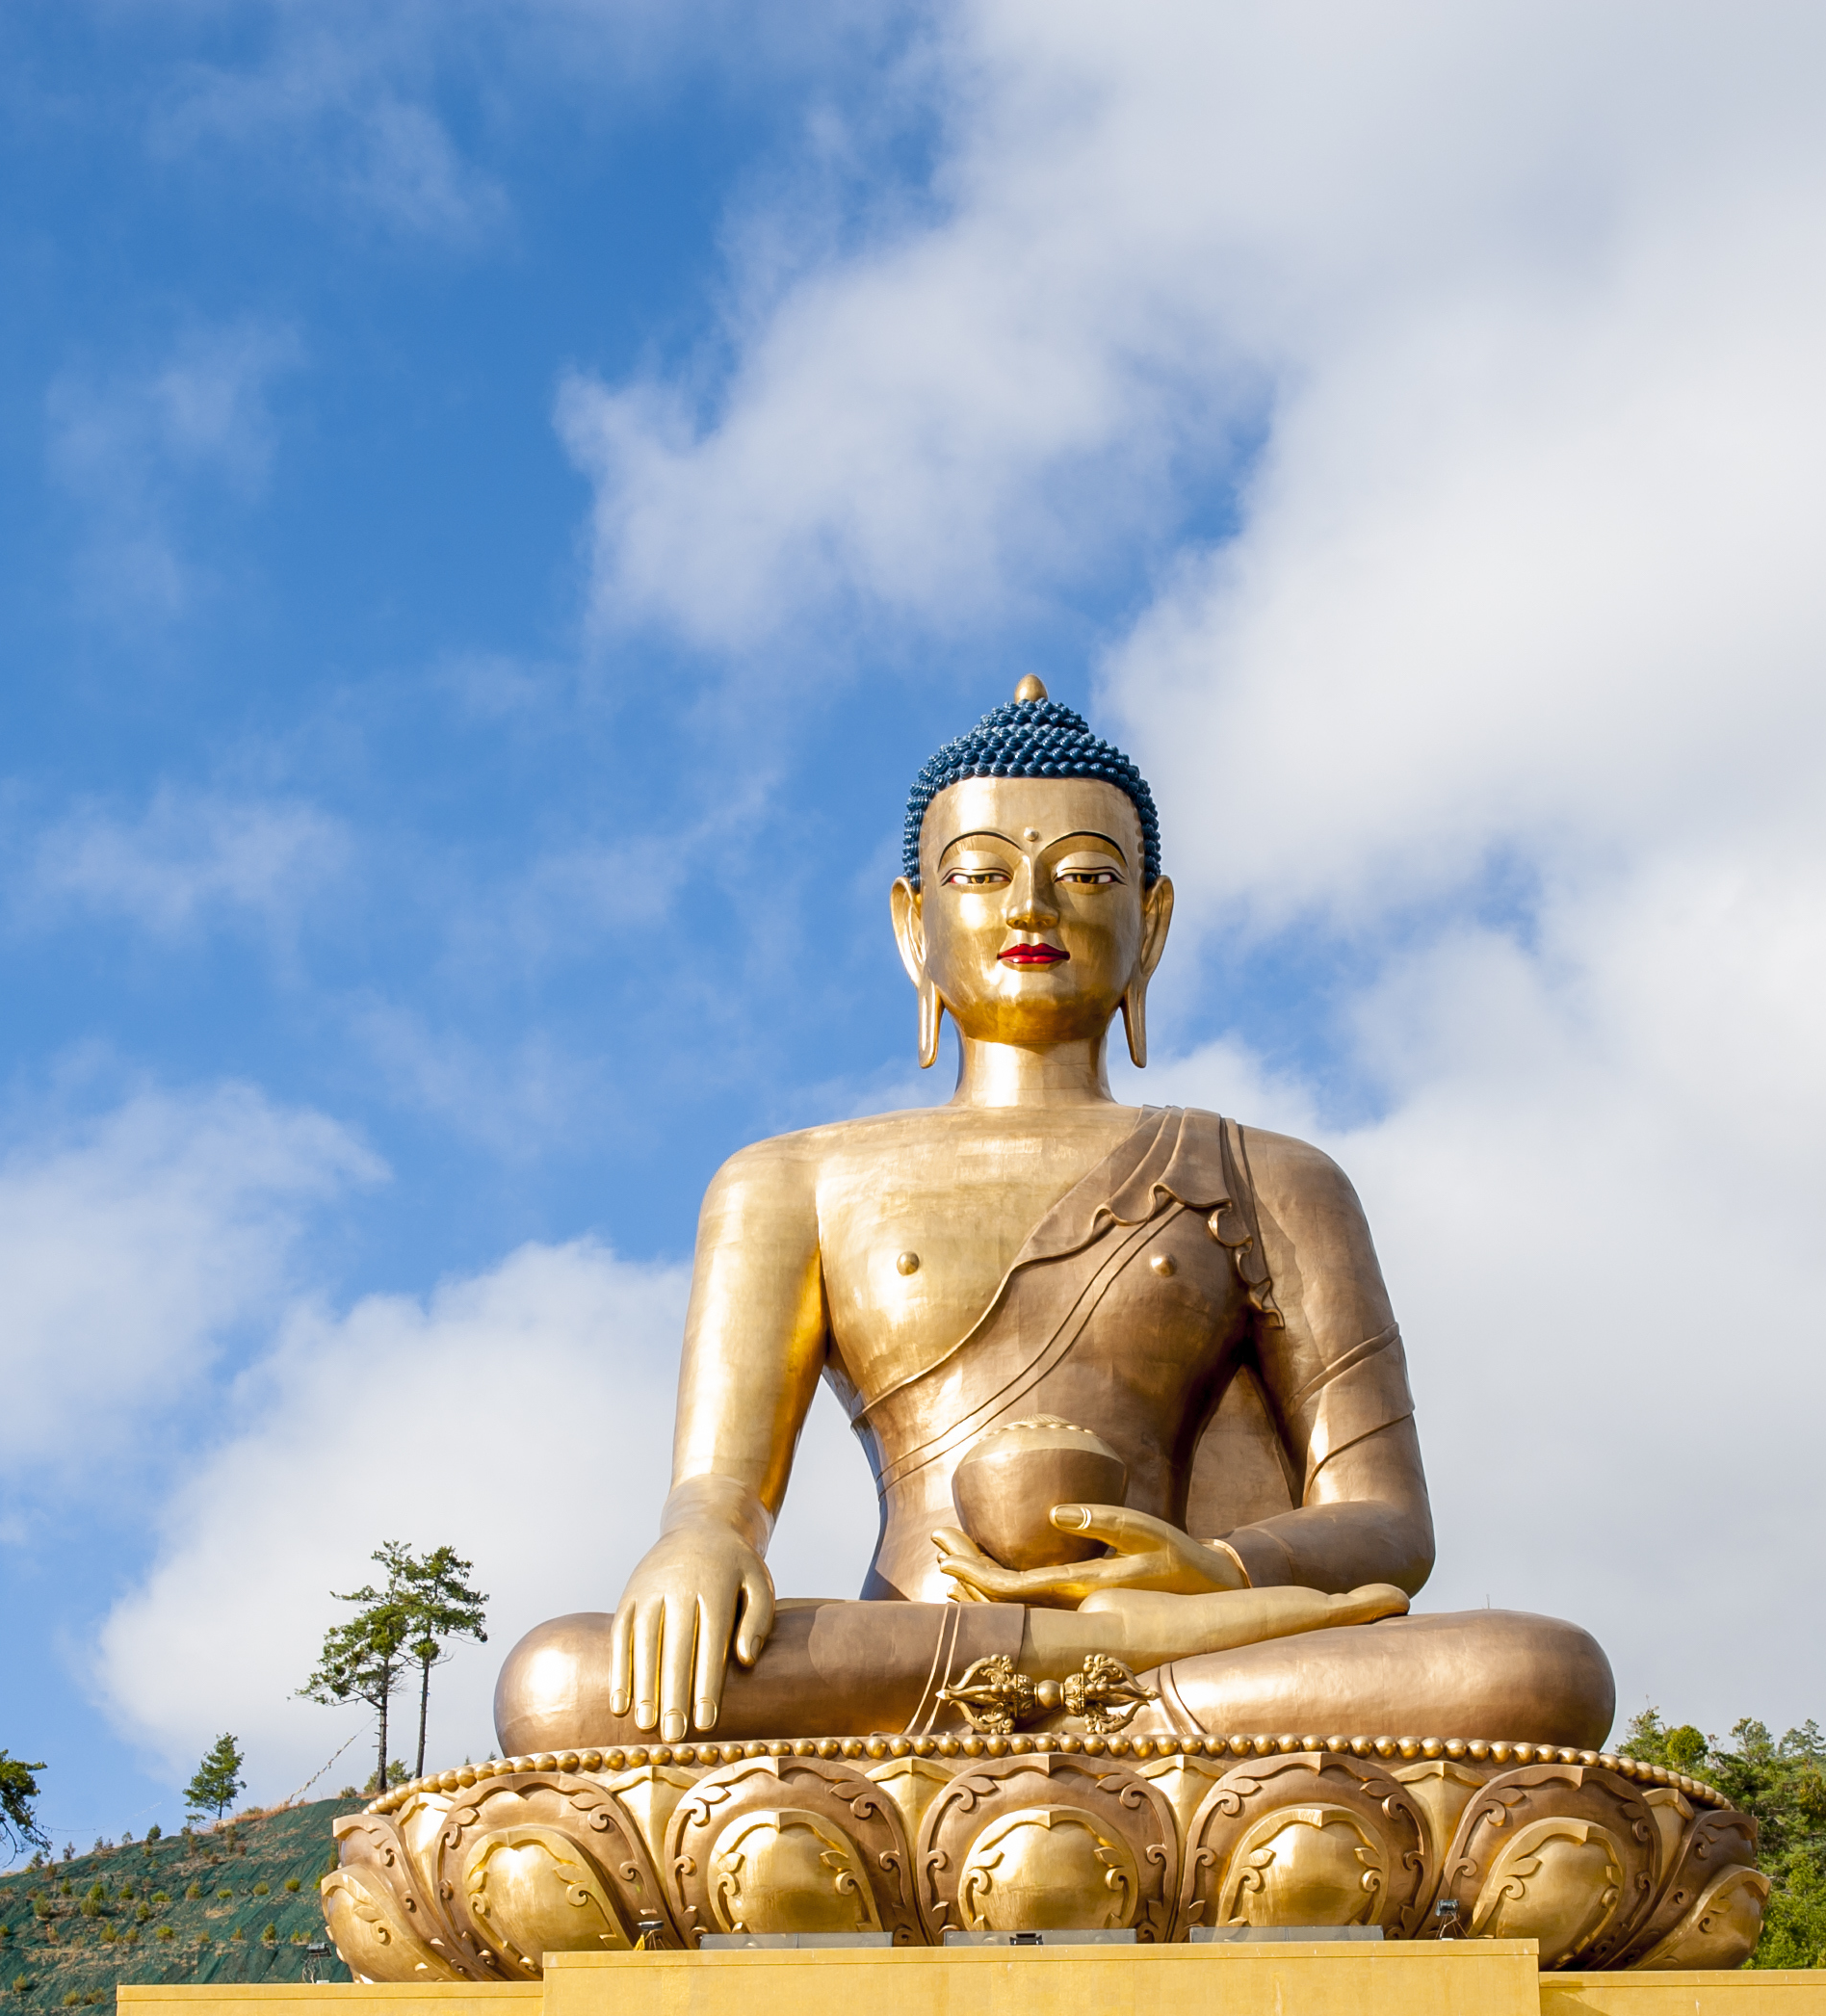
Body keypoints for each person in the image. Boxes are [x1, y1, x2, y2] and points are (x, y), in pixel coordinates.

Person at [491, 681, 1611, 1755]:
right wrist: (696, 1546)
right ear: (909, 924)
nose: (1030, 907)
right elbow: (716, 1495)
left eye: (1083, 872)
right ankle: (1085, 1668)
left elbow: (1382, 1523)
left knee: (1531, 1676)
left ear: (1152, 922)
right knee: (561, 1684)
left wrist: (1215, 1577)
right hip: (928, 1643)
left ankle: (1094, 1681)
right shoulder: (792, 1180)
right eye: (979, 875)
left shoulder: (1269, 1174)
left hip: (1197, 1648)